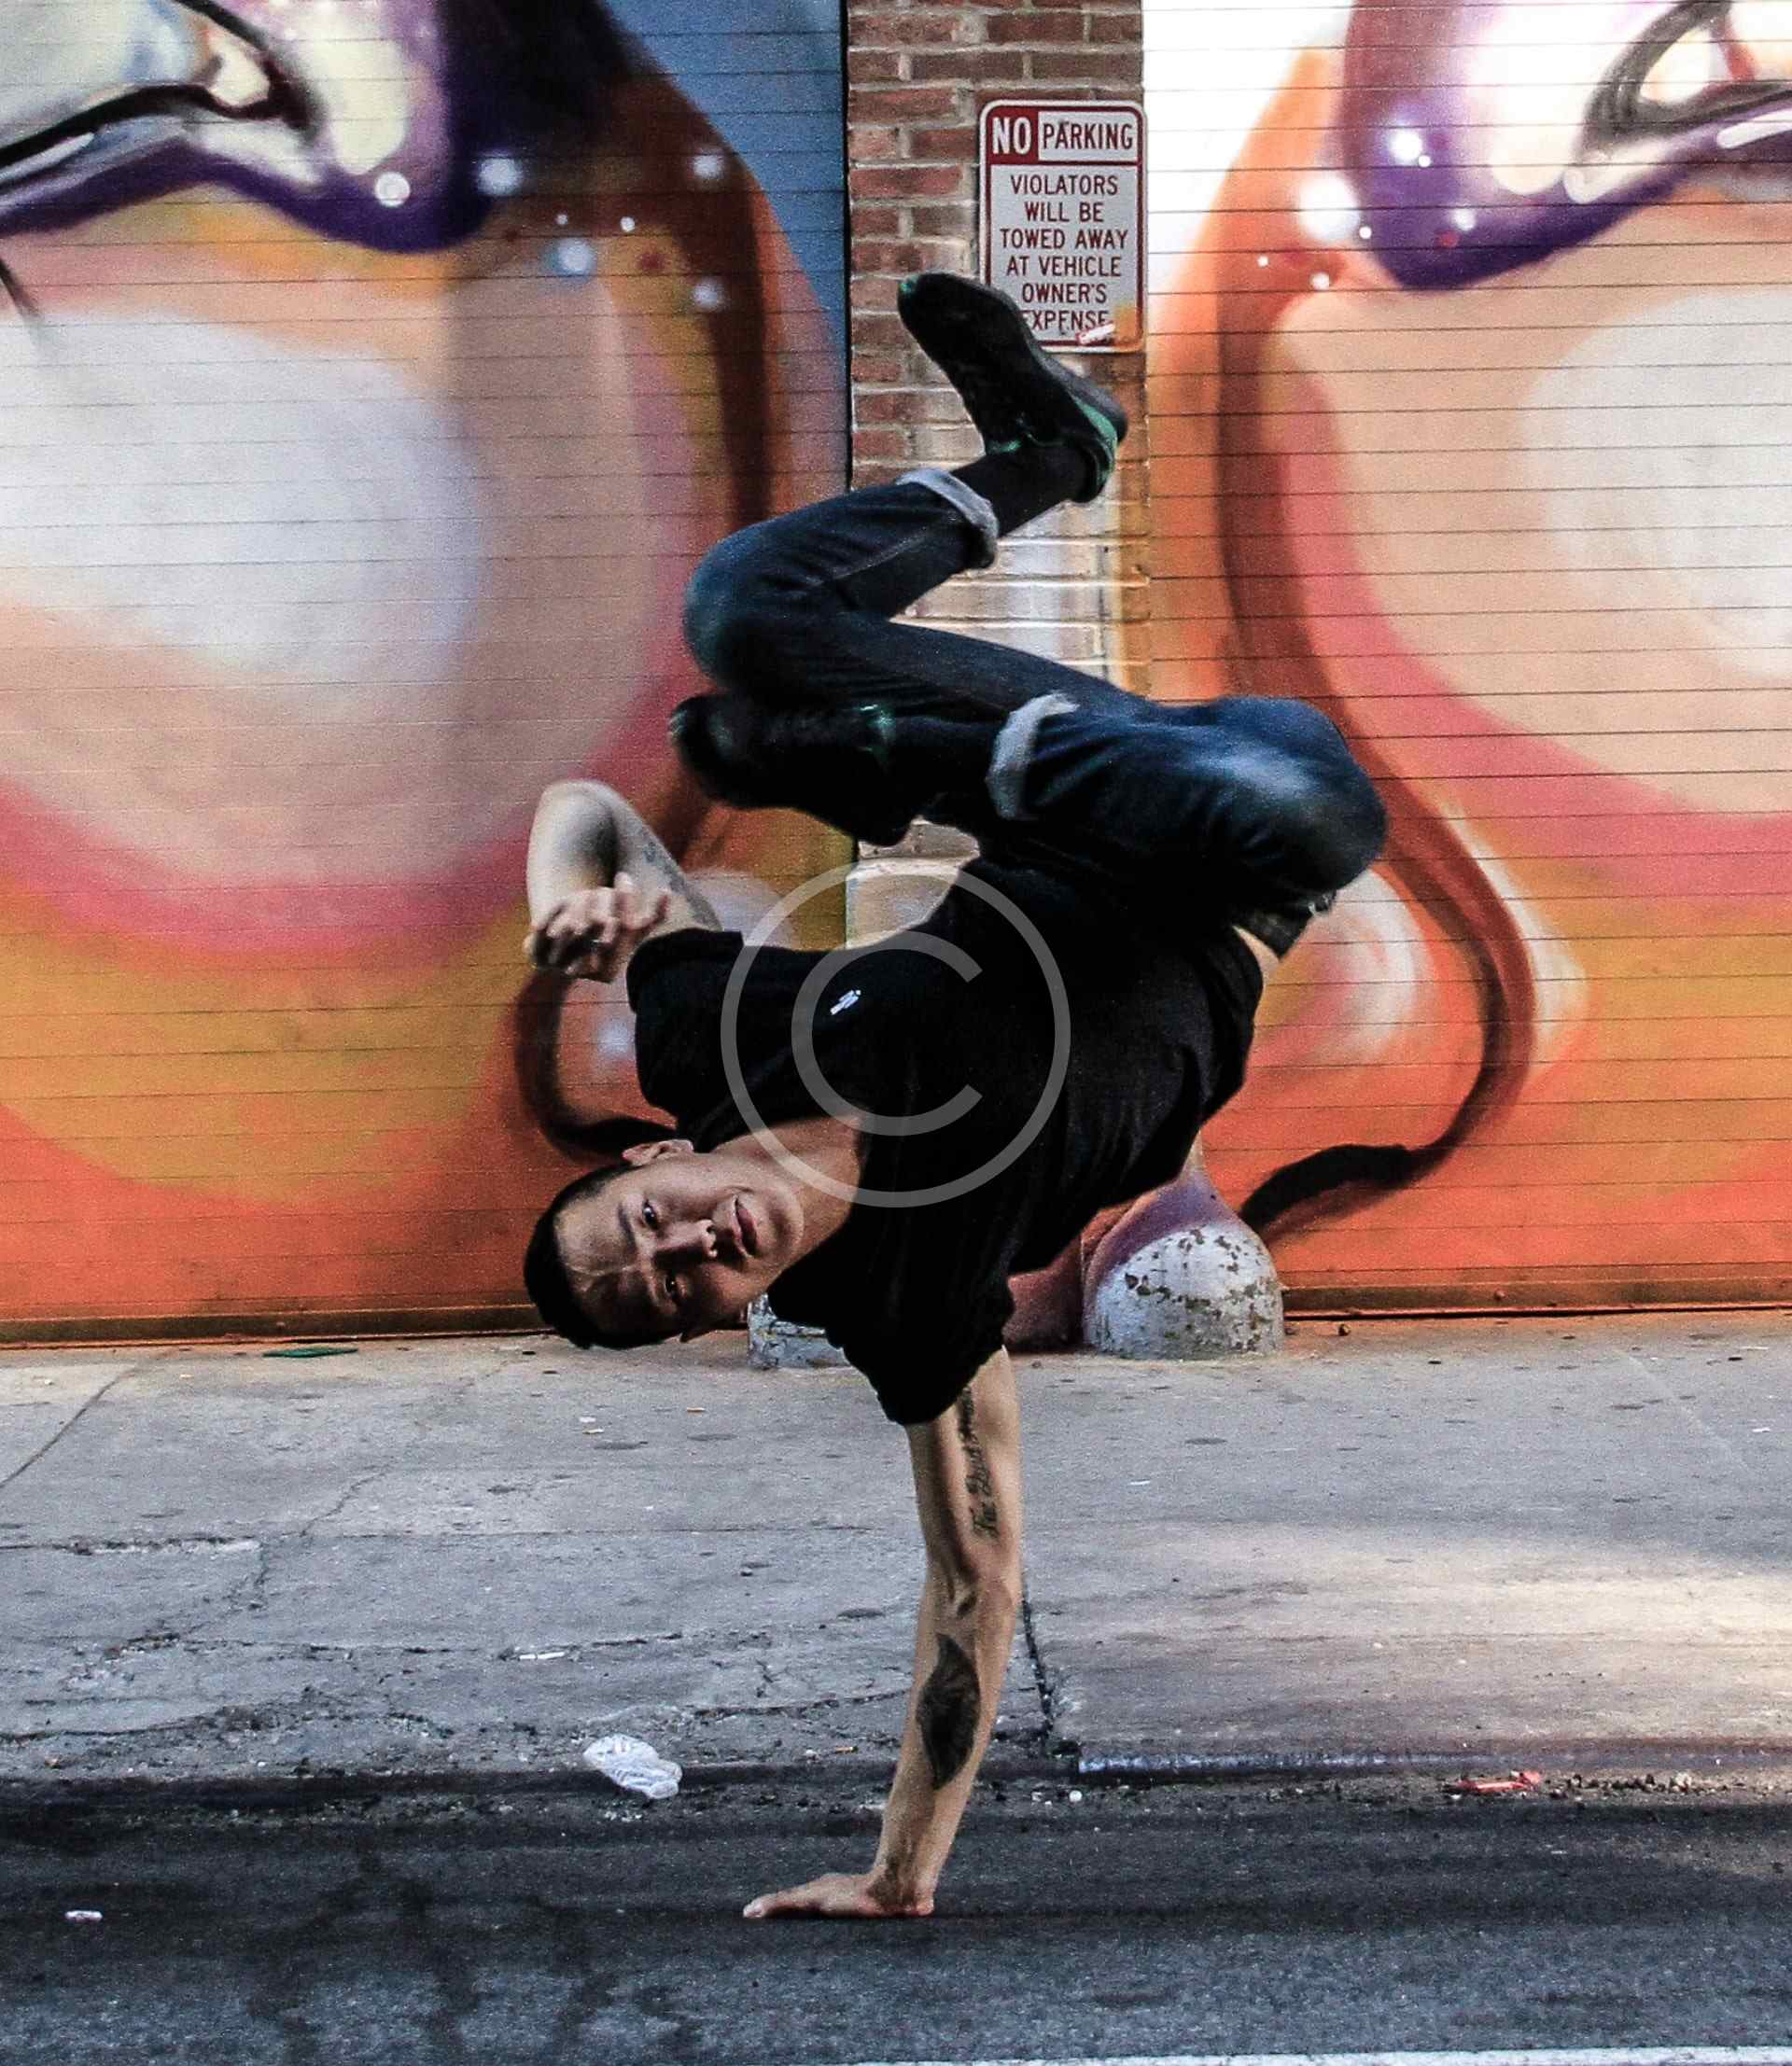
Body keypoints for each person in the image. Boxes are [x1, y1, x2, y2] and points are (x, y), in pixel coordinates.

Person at [521, 274, 1387, 1919]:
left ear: (653, 1159)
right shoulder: (906, 1302)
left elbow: (580, 811)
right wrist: (899, 1869)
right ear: (728, 1305)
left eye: (644, 1222)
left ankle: (1040, 455)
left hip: (1076, 776)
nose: (689, 1242)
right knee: (763, 733)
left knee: (735, 628)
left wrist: (575, 889)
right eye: (675, 1287)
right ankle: (842, 749)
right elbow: (975, 1578)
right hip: (1247, 849)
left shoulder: (726, 1046)